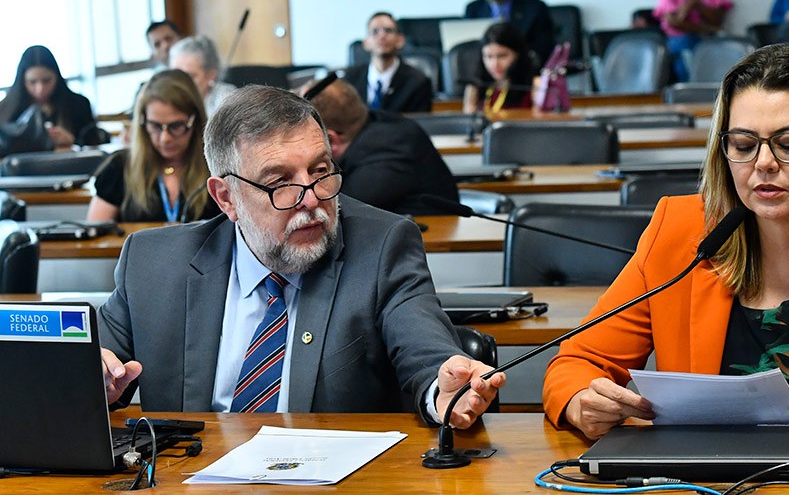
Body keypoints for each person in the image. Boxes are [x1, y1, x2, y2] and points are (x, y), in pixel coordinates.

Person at [98, 85, 504, 426]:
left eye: (321, 171)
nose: (312, 199)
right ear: (226, 197)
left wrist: (442, 390)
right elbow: (96, 364)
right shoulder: (153, 263)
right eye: (280, 183)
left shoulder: (381, 246)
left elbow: (425, 348)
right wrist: (91, 379)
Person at [543, 43, 789, 440]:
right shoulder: (681, 232)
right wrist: (580, 401)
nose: (763, 163)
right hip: (709, 479)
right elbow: (577, 362)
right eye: (743, 145)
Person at [309, 78, 459, 216]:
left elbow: (335, 209)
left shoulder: (384, 155)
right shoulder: (370, 122)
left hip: (434, 238)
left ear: (330, 138)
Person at [87, 69, 220, 222]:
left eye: (176, 126)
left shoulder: (216, 169)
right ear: (142, 122)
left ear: (195, 121)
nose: (165, 138)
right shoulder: (119, 168)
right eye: (155, 126)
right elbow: (95, 237)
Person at [0, 45, 103, 147]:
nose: (40, 89)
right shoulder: (4, 109)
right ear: (22, 82)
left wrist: (73, 142)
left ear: (57, 77)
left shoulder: (79, 104)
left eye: (46, 80)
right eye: (32, 82)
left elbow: (94, 147)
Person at [464, 0, 555, 65]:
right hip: (485, 68)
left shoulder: (534, 7)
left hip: (523, 68)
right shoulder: (473, 9)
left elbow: (544, 47)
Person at [342, 12, 433, 113]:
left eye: (388, 31)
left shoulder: (417, 81)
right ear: (366, 43)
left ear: (400, 40)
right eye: (375, 31)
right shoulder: (349, 79)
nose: (382, 36)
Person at [463, 22, 535, 114]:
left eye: (502, 56)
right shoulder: (475, 88)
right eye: (489, 57)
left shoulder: (535, 87)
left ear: (518, 55)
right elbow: (470, 125)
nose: (495, 64)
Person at [169, 35, 237, 115]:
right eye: (176, 75)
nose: (180, 82)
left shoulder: (226, 100)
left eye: (190, 76)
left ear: (210, 75)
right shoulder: (166, 100)